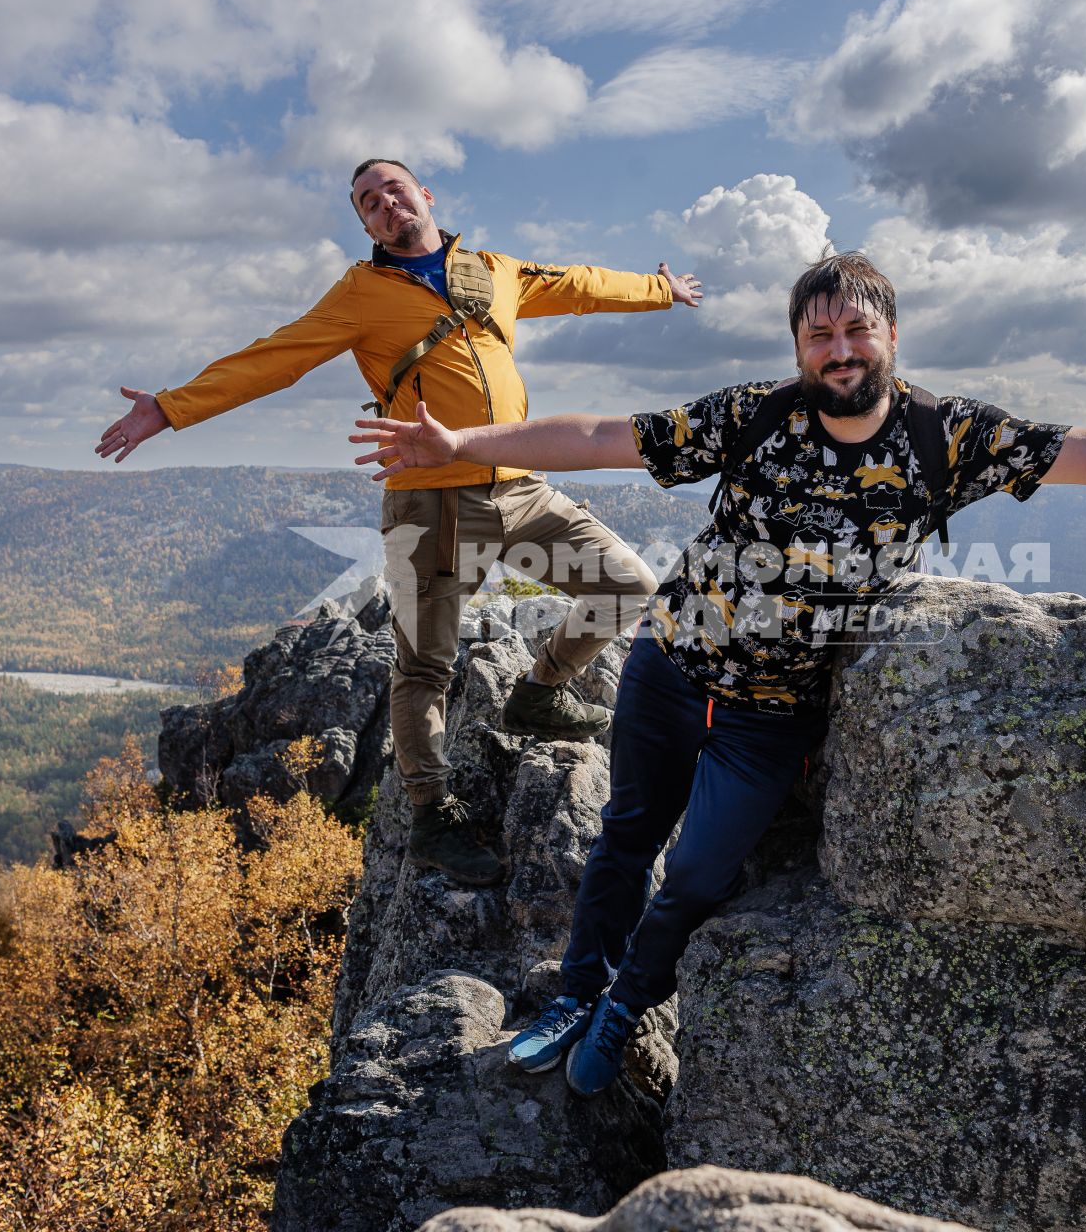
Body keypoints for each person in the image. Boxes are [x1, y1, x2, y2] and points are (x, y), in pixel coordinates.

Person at [349, 251, 1086, 1096]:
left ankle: (627, 1003)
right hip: (670, 670)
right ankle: (575, 994)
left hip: (770, 717)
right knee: (627, 832)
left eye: (859, 328)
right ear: (800, 345)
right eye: (821, 331)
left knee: (700, 876)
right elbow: (604, 433)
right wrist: (463, 438)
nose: (841, 346)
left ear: (891, 335)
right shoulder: (756, 413)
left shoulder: (945, 438)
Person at [94, 158, 704, 888]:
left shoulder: (492, 270)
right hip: (429, 504)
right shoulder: (361, 294)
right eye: (367, 203)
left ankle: (540, 692)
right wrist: (171, 406)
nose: (385, 204)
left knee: (626, 585)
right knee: (424, 667)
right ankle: (431, 812)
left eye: (394, 190)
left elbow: (577, 286)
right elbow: (277, 358)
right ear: (364, 225)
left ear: (425, 196)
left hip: (519, 487)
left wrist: (659, 290)